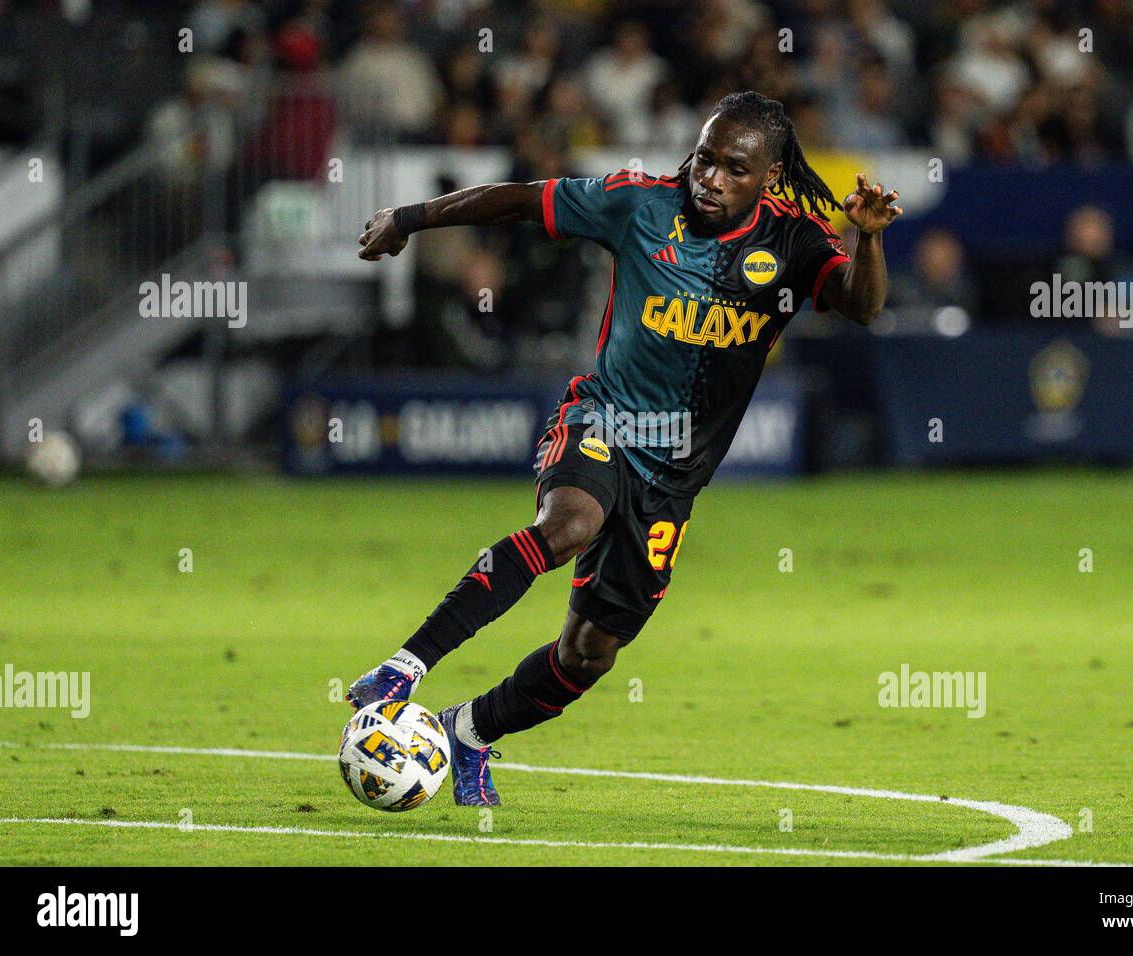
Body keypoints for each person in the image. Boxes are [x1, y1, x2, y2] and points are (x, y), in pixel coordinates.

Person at [349, 92, 902, 805]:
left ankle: (468, 733)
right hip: (604, 420)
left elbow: (861, 306)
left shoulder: (793, 243)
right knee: (569, 524)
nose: (711, 177)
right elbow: (520, 200)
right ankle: (403, 669)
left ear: (767, 178)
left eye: (734, 168)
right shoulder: (639, 204)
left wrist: (870, 238)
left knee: (590, 655)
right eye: (705, 157)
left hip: (675, 477)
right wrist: (408, 218)